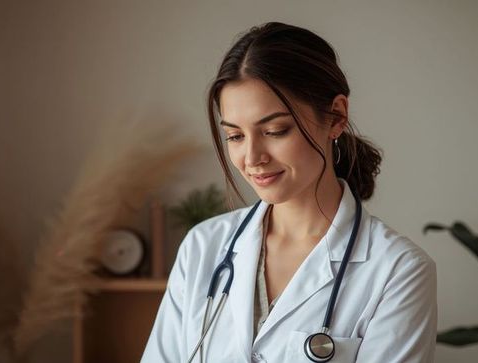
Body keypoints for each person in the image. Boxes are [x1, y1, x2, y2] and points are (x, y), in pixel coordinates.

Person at [142, 21, 437, 363]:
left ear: (337, 116)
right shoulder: (203, 247)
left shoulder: (397, 271)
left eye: (275, 130)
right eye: (235, 136)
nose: (252, 158)